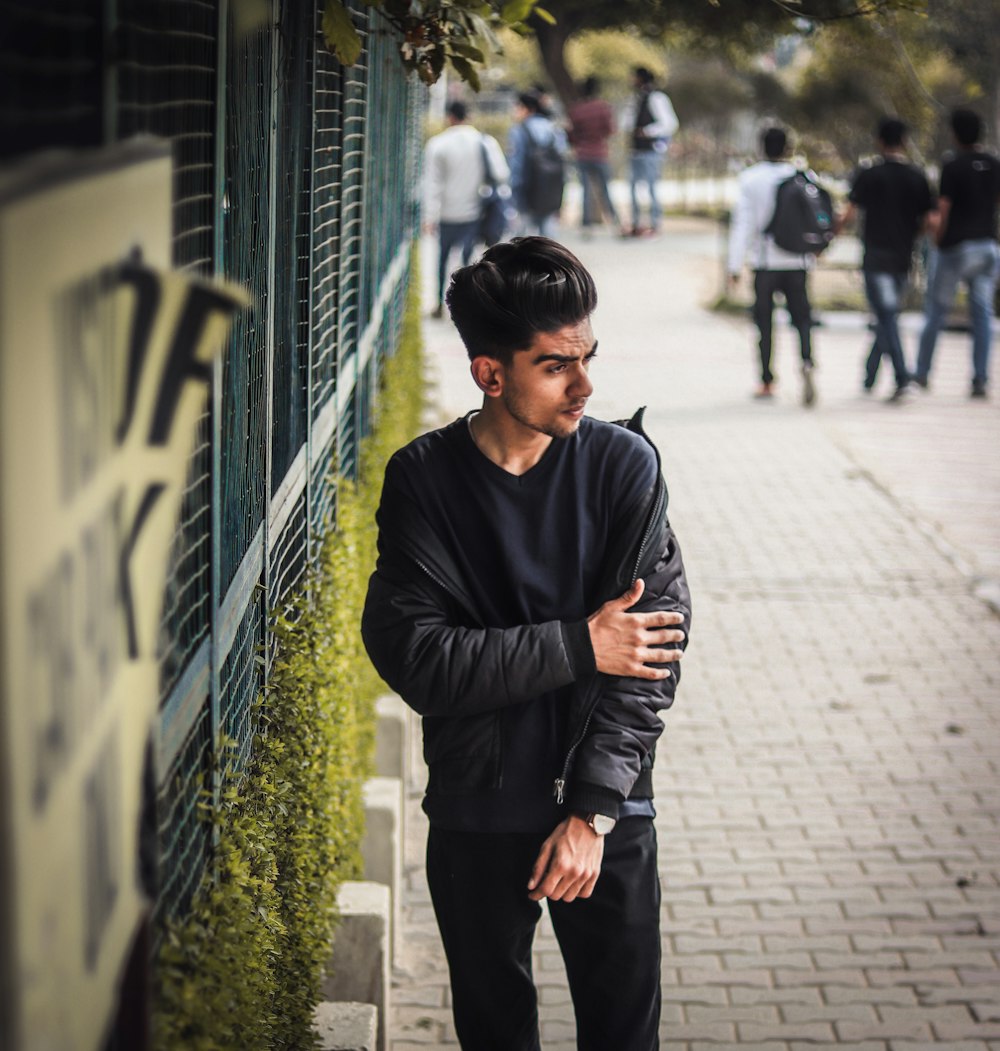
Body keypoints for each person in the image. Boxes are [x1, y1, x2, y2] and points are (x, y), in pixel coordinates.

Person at [362, 237, 691, 1051]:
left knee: (623, 1036)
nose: (585, 384)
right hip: (479, 807)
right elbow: (424, 662)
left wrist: (591, 812)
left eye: (588, 357)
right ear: (490, 373)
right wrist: (583, 643)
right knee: (494, 1032)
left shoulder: (624, 467)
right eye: (555, 365)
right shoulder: (425, 481)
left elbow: (649, 658)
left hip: (607, 809)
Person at [836, 117, 934, 401]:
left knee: (886, 315)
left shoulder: (869, 173)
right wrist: (913, 235)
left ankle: (902, 377)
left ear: (879, 141)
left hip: (876, 256)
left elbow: (848, 212)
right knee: (887, 315)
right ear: (904, 141)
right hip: (903, 256)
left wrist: (829, 237)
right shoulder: (918, 175)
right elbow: (930, 219)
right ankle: (869, 373)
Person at [727, 126, 818, 405]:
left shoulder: (751, 178)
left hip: (765, 263)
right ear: (788, 148)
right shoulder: (803, 176)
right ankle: (806, 361)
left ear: (762, 147)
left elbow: (743, 224)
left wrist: (734, 264)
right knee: (802, 319)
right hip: (799, 262)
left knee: (764, 324)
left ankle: (767, 380)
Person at [914, 107, 1000, 398]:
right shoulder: (993, 163)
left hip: (955, 249)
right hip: (987, 247)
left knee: (936, 311)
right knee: (983, 315)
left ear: (954, 133)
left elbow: (944, 210)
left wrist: (936, 241)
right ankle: (980, 378)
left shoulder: (952, 165)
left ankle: (922, 373)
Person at [423, 99, 509, 319]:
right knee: (468, 260)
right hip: (474, 211)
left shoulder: (437, 144)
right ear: (467, 117)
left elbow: (432, 183)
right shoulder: (484, 142)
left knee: (441, 259)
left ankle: (438, 304)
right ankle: (465, 305)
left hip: (446, 212)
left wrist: (429, 216)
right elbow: (500, 174)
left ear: (449, 117)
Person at [567, 75, 624, 237]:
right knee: (605, 189)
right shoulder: (603, 107)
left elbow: (572, 134)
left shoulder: (576, 109)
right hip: (600, 153)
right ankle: (614, 223)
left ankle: (586, 226)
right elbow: (610, 130)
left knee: (585, 191)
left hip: (582, 154)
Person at [627, 67, 679, 237]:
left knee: (651, 188)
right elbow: (627, 122)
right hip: (636, 149)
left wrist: (647, 131)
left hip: (651, 150)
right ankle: (636, 223)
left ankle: (655, 224)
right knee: (633, 188)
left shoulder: (657, 97)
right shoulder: (636, 98)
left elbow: (670, 124)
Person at [508, 92, 567, 237]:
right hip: (550, 186)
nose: (515, 111)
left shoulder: (519, 130)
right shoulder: (553, 128)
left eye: (518, 107)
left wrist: (514, 189)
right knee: (547, 229)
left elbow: (516, 163)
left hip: (527, 188)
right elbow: (562, 153)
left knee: (521, 234)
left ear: (528, 109)